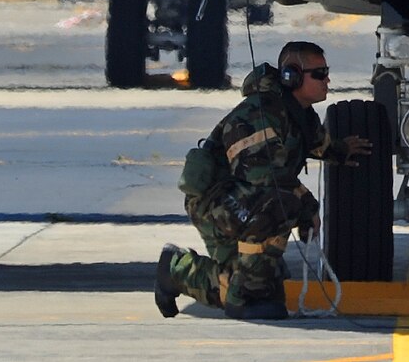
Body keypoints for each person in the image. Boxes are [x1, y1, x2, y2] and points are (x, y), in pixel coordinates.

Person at [156, 40, 373, 320]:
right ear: (291, 76)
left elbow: (318, 144)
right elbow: (262, 176)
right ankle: (245, 295)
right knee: (278, 203)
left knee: (250, 287)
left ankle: (176, 269)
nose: (327, 80)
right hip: (216, 203)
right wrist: (308, 208)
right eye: (319, 74)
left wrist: (343, 150)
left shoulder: (298, 113)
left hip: (237, 203)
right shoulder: (260, 114)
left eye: (326, 72)